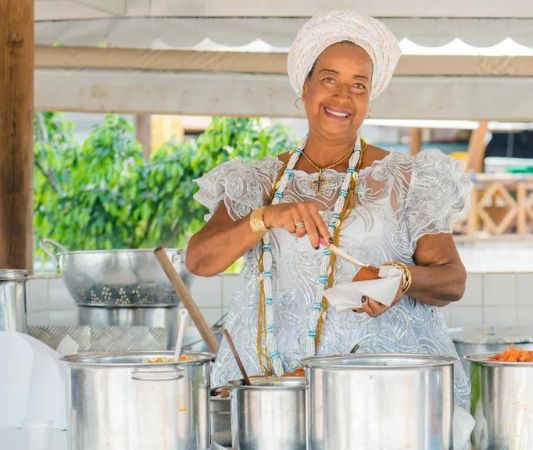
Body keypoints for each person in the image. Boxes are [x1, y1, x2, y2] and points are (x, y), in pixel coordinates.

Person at [185, 10, 471, 406]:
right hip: (272, 390)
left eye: (359, 85)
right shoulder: (259, 180)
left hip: (382, 391)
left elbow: (452, 280)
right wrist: (266, 217)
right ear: (303, 88)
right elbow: (199, 260)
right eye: (329, 79)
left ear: (370, 101)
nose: (342, 96)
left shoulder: (406, 177)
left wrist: (400, 279)